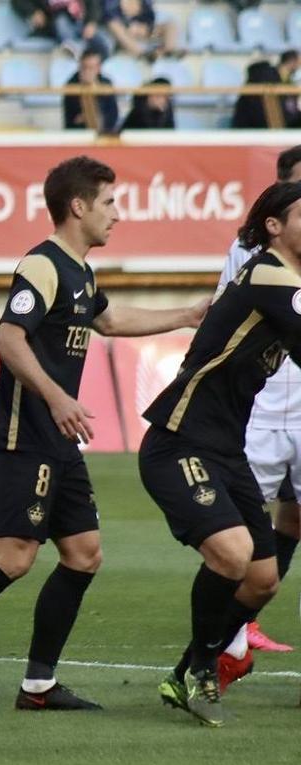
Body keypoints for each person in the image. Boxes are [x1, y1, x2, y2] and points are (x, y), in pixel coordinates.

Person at [0, 155, 207, 713]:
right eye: (110, 202)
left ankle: (38, 686)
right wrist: (59, 397)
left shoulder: (80, 271)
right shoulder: (41, 265)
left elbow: (108, 321)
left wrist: (187, 313)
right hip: (24, 435)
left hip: (58, 439)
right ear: (78, 206)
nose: (118, 214)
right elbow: (9, 339)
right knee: (13, 557)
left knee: (84, 554)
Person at [141, 181, 301, 727]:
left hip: (225, 448)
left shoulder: (287, 283)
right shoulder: (267, 275)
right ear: (274, 226)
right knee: (233, 556)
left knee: (262, 579)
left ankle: (186, 671)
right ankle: (205, 668)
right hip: (179, 438)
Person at [209, 145, 301, 687]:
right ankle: (226, 643)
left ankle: (238, 629)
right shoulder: (249, 256)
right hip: (261, 409)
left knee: (292, 521)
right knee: (240, 536)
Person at [63, 48, 118, 133]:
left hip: (104, 133)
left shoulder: (106, 84)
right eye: (84, 67)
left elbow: (113, 114)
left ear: (99, 68)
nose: (88, 71)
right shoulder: (72, 86)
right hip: (80, 135)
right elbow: (71, 121)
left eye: (91, 68)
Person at [102, 0, 179, 59]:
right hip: (121, 33)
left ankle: (169, 52)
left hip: (142, 29)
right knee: (114, 25)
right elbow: (108, 17)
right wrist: (128, 26)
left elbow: (150, 16)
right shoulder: (111, 2)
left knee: (170, 25)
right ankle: (143, 55)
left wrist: (144, 28)